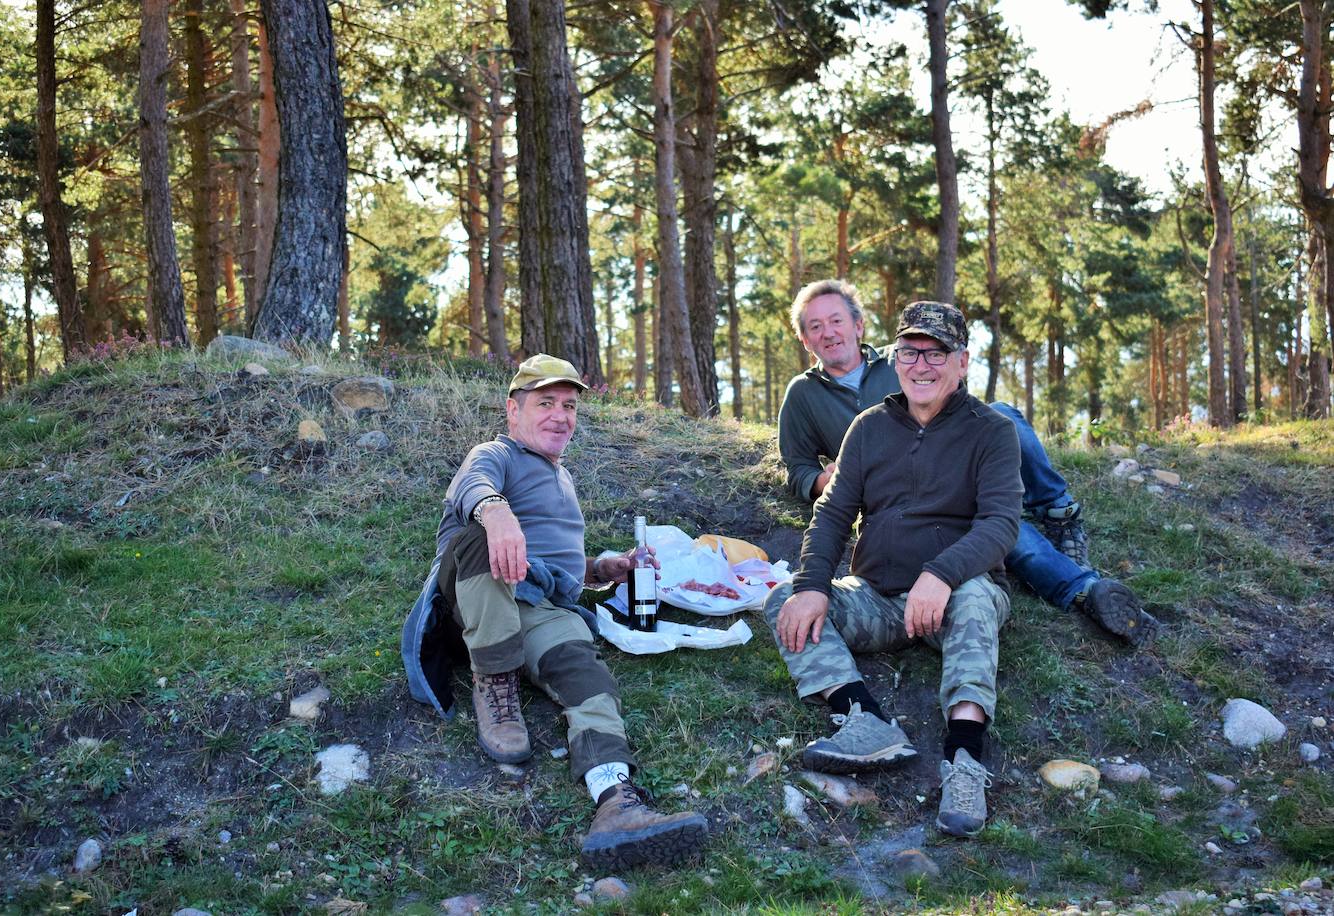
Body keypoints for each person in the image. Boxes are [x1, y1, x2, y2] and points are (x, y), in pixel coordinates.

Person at [401, 354, 707, 870]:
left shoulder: (561, 478)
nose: (560, 415)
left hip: (542, 608)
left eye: (569, 406)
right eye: (545, 403)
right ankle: (494, 684)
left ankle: (615, 801)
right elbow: (470, 486)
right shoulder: (496, 453)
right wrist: (495, 512)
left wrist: (604, 568)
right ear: (512, 411)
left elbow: (551, 564)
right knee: (480, 537)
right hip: (477, 601)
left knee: (585, 675)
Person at [777, 279, 1158, 646]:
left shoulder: (904, 357)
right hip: (890, 494)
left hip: (959, 475)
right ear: (804, 339)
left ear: (858, 326)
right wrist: (820, 481)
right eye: (815, 326)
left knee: (1002, 431)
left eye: (836, 321)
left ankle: (1058, 512)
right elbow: (796, 466)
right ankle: (1084, 590)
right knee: (1009, 538)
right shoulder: (803, 395)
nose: (828, 333)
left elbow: (959, 408)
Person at [765, 301, 1019, 838]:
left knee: (975, 599)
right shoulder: (869, 426)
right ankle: (863, 720)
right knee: (785, 598)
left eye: (936, 353)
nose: (920, 365)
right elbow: (832, 513)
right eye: (909, 352)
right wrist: (811, 586)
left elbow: (1000, 525)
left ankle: (964, 762)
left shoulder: (992, 431)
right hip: (879, 597)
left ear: (962, 362)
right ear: (895, 357)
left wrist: (943, 573)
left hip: (956, 596)